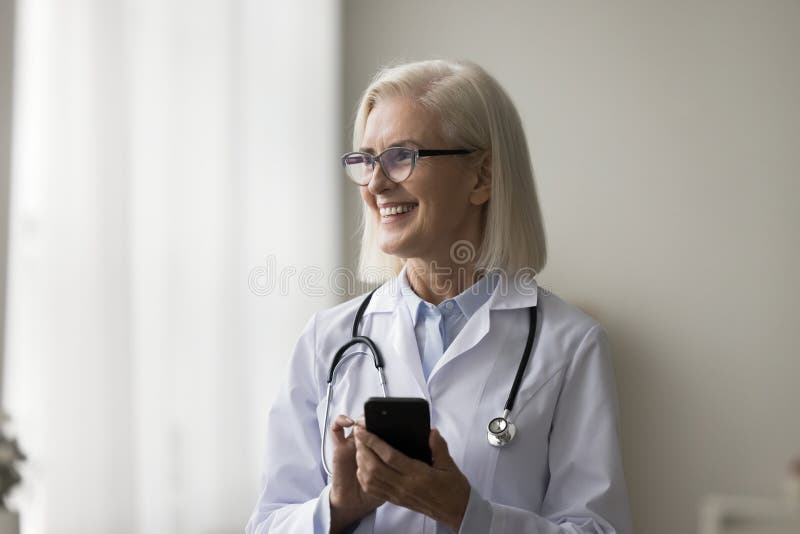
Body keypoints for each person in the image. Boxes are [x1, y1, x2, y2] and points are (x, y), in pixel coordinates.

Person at [245, 59, 632, 533]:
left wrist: (469, 515)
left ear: (482, 176)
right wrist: (339, 507)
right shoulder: (326, 340)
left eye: (401, 156)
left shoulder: (569, 345)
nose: (376, 184)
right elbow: (267, 523)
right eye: (367, 160)